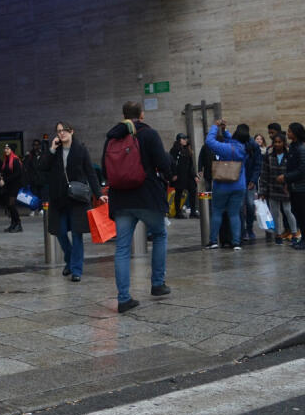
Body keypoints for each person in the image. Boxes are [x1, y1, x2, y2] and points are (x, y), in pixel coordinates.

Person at [104, 103, 173, 313]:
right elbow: (163, 162)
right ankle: (158, 284)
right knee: (160, 234)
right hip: (146, 197)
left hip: (121, 200)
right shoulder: (149, 134)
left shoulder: (112, 137)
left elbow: (106, 167)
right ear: (141, 115)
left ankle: (124, 299)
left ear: (124, 116)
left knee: (123, 248)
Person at [39, 122, 103, 281]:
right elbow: (42, 166)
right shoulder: (56, 150)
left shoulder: (81, 149)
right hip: (59, 198)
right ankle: (69, 259)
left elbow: (91, 173)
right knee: (59, 232)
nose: (61, 134)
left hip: (77, 199)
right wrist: (52, 149)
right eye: (59, 131)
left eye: (64, 131)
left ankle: (76, 270)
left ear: (72, 131)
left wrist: (98, 193)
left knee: (76, 234)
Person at [204, 120, 249, 250]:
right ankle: (236, 242)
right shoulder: (244, 148)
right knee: (234, 214)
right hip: (239, 185)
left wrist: (215, 126)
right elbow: (233, 142)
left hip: (222, 185)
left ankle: (213, 241)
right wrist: (224, 131)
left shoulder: (225, 148)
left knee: (217, 212)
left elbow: (209, 141)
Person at [261, 133, 297, 244]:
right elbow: (264, 174)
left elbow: (293, 172)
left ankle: (294, 233)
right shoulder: (269, 156)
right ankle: (277, 234)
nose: (277, 144)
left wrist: (290, 184)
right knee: (274, 213)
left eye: (279, 142)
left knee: (288, 211)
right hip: (273, 188)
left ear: (284, 143)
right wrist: (262, 191)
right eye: (275, 142)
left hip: (286, 188)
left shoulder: (289, 155)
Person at [285, 122, 305, 250]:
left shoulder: (301, 148)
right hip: (294, 186)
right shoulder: (293, 146)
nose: (287, 133)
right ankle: (304, 238)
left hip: (301, 187)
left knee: (303, 214)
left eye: (290, 131)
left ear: (296, 133)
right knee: (297, 212)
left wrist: (286, 178)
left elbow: (302, 169)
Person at [169, 133, 198, 218]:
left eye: (186, 139)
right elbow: (172, 163)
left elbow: (190, 164)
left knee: (193, 190)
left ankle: (193, 211)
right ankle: (178, 212)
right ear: (179, 140)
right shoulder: (174, 150)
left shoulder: (187, 149)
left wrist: (194, 175)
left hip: (188, 175)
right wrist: (173, 174)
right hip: (179, 175)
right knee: (179, 192)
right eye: (183, 139)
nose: (186, 140)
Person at [0, 144, 24, 232]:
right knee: (9, 206)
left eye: (8, 149)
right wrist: (1, 176)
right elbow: (5, 171)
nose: (6, 150)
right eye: (5, 148)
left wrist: (5, 180)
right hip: (8, 186)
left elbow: (17, 174)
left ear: (12, 150)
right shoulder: (6, 160)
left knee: (11, 205)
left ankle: (18, 224)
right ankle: (13, 224)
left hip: (14, 186)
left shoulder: (15, 159)